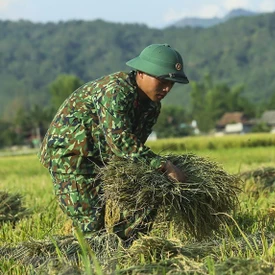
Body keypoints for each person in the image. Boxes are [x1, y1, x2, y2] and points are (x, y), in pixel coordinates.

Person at [39, 43, 188, 242]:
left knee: (149, 196)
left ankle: (124, 249)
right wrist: (165, 166)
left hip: (104, 157)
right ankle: (83, 265)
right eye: (162, 80)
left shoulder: (152, 106)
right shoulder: (115, 92)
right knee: (91, 226)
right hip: (73, 158)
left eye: (171, 83)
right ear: (141, 73)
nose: (167, 88)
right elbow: (122, 142)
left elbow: (134, 149)